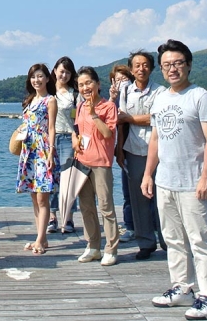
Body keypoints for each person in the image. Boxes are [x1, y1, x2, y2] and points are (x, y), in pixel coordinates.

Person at [142, 40, 207, 319]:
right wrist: (148, 174)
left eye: (177, 63)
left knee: (200, 241)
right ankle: (182, 287)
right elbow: (155, 139)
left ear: (188, 65)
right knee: (173, 239)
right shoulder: (160, 98)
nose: (172, 69)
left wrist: (206, 177)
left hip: (192, 182)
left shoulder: (200, 96)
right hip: (165, 181)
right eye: (166, 65)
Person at [117, 50, 166, 260]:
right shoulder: (125, 91)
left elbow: (156, 119)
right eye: (137, 65)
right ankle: (146, 242)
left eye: (145, 65)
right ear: (131, 69)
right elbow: (120, 121)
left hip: (159, 150)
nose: (141, 69)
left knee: (162, 197)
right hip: (133, 149)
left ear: (152, 68)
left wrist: (130, 118)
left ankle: (167, 241)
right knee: (138, 199)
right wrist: (119, 149)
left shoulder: (160, 91)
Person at [75, 66, 119, 266]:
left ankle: (111, 248)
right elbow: (78, 129)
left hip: (101, 163)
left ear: (98, 84)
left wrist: (94, 114)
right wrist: (74, 139)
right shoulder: (80, 106)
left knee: (106, 206)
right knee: (86, 207)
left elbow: (108, 133)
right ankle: (93, 246)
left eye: (88, 83)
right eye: (81, 85)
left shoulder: (108, 107)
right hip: (82, 162)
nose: (85, 88)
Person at [16, 63, 58, 255]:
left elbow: (52, 128)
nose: (36, 80)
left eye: (40, 76)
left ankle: (40, 239)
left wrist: (51, 152)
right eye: (33, 77)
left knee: (42, 197)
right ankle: (41, 238)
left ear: (48, 79)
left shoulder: (50, 100)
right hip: (29, 150)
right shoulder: (30, 100)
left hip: (42, 149)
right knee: (34, 196)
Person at [48, 56, 78, 235]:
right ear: (54, 71)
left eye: (68, 72)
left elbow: (79, 118)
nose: (64, 75)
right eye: (61, 71)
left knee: (68, 179)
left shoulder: (74, 94)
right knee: (51, 178)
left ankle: (68, 218)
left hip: (68, 138)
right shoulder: (48, 91)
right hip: (49, 138)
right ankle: (52, 217)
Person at [110, 64, 136, 244]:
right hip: (124, 148)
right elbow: (111, 121)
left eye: (124, 78)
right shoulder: (115, 100)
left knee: (147, 190)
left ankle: (151, 226)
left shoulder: (135, 96)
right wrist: (113, 98)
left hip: (141, 147)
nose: (121, 83)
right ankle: (130, 226)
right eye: (117, 80)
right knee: (127, 191)